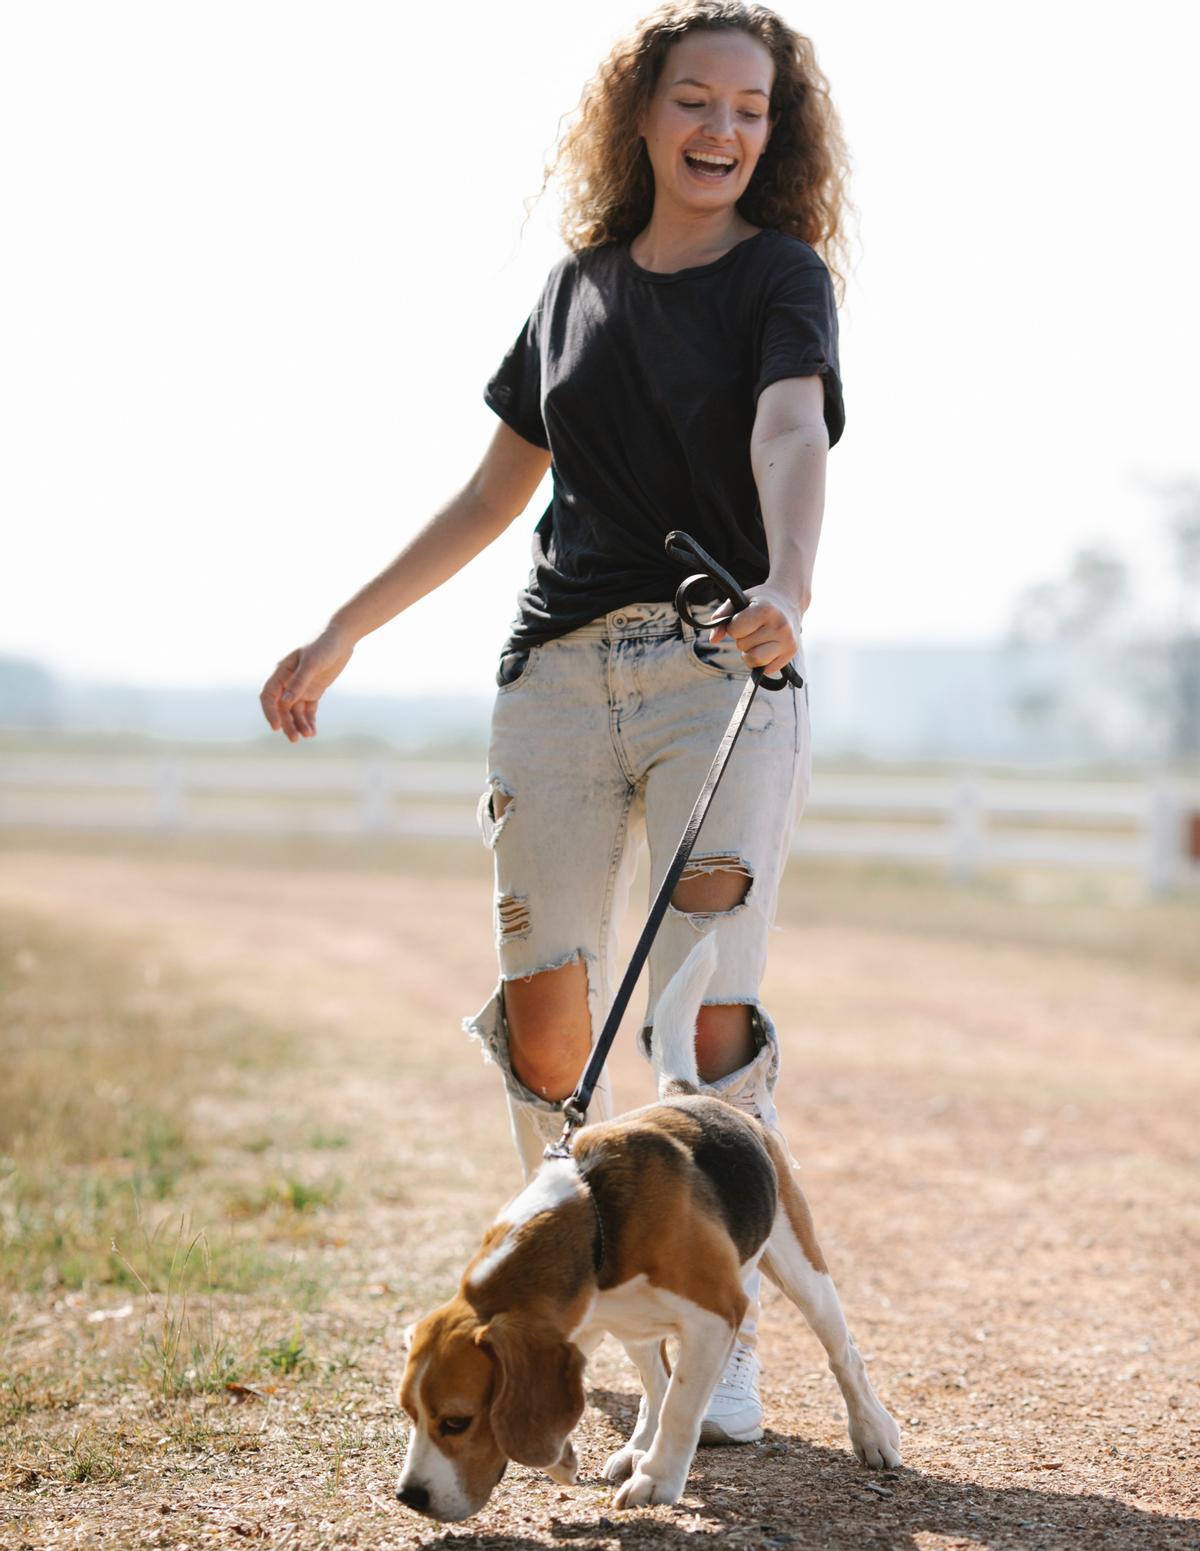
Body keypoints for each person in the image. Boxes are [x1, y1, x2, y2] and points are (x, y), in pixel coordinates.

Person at [260, 0, 849, 1444]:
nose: (722, 130)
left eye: (750, 111)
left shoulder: (783, 276)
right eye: (695, 101)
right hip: (554, 680)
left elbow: (789, 427)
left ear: (774, 134)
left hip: (720, 668)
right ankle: (579, 1304)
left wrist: (788, 579)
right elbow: (488, 496)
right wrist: (344, 626)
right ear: (639, 115)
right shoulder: (575, 288)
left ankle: (723, 1329)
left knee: (701, 1013)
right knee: (547, 1025)